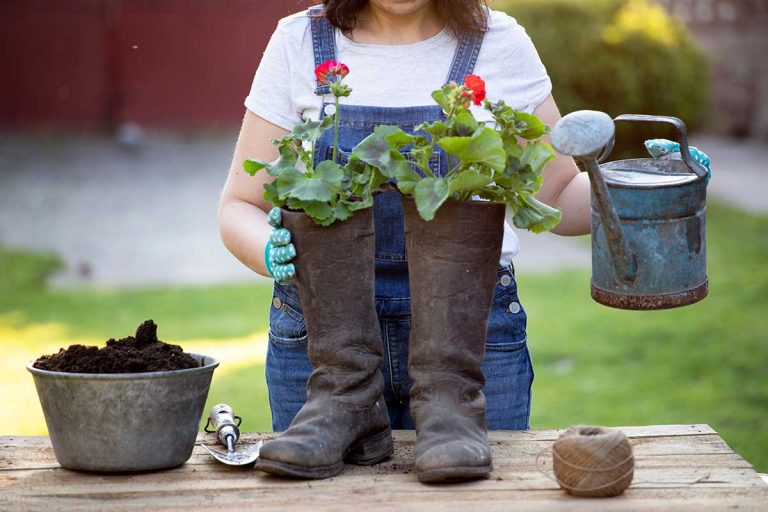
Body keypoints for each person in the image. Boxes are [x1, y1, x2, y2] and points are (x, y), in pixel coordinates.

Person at [218, 0, 591, 479]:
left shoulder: (499, 40)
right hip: (321, 346)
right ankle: (349, 402)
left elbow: (557, 194)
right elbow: (241, 204)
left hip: (472, 342)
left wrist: (641, 186)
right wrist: (270, 252)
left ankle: (448, 404)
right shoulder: (300, 41)